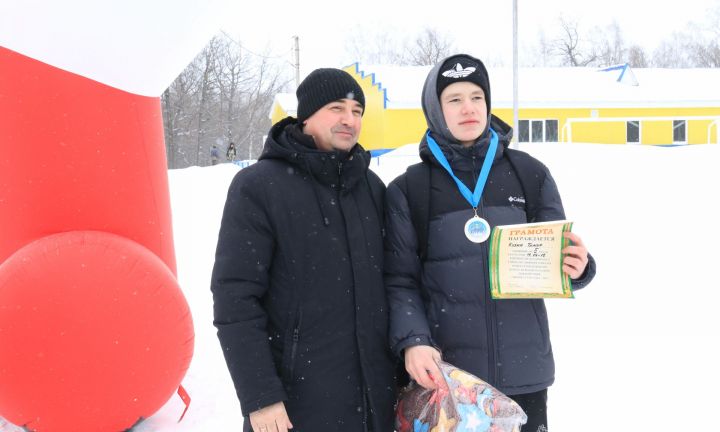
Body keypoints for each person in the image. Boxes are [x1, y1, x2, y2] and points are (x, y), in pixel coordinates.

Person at [383, 54, 597, 432]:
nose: (469, 108)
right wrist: (414, 340)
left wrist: (578, 267)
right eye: (454, 99)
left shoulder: (528, 173)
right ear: (435, 110)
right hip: (450, 383)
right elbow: (400, 280)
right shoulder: (409, 189)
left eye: (477, 97)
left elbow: (556, 254)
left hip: (524, 373)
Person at [211, 68, 396, 432]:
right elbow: (235, 300)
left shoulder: (371, 187)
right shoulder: (259, 187)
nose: (349, 120)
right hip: (295, 407)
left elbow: (392, 284)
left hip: (373, 402)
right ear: (306, 115)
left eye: (358, 111)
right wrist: (260, 396)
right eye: (336, 108)